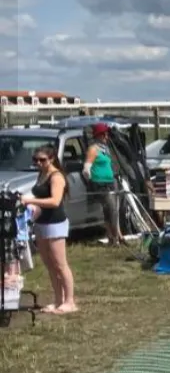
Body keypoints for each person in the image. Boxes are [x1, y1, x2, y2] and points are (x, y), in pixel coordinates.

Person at [23, 145, 75, 313]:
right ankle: (58, 299)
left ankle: (70, 301)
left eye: (42, 160)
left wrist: (30, 201)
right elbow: (40, 196)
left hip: (55, 223)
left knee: (60, 264)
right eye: (35, 160)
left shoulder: (56, 176)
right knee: (49, 264)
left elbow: (54, 201)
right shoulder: (42, 173)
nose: (38, 163)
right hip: (41, 222)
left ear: (51, 159)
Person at [83, 123, 125, 246]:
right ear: (100, 135)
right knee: (112, 209)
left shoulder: (104, 149)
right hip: (100, 184)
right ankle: (116, 237)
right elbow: (86, 168)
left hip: (110, 182)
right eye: (105, 134)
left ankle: (112, 238)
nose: (107, 136)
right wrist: (92, 178)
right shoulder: (93, 149)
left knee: (110, 210)